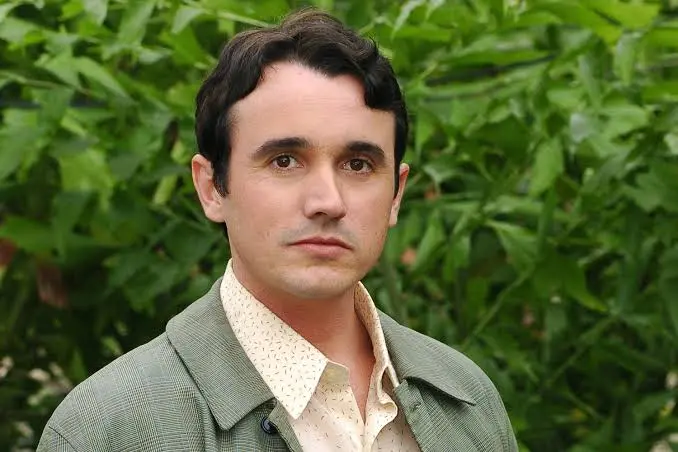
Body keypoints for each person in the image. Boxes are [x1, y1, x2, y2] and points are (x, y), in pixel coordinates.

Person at [38, 8, 518, 452]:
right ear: (211, 187)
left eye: (358, 164)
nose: (327, 201)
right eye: (285, 161)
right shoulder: (109, 428)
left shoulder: (466, 401)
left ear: (396, 193)